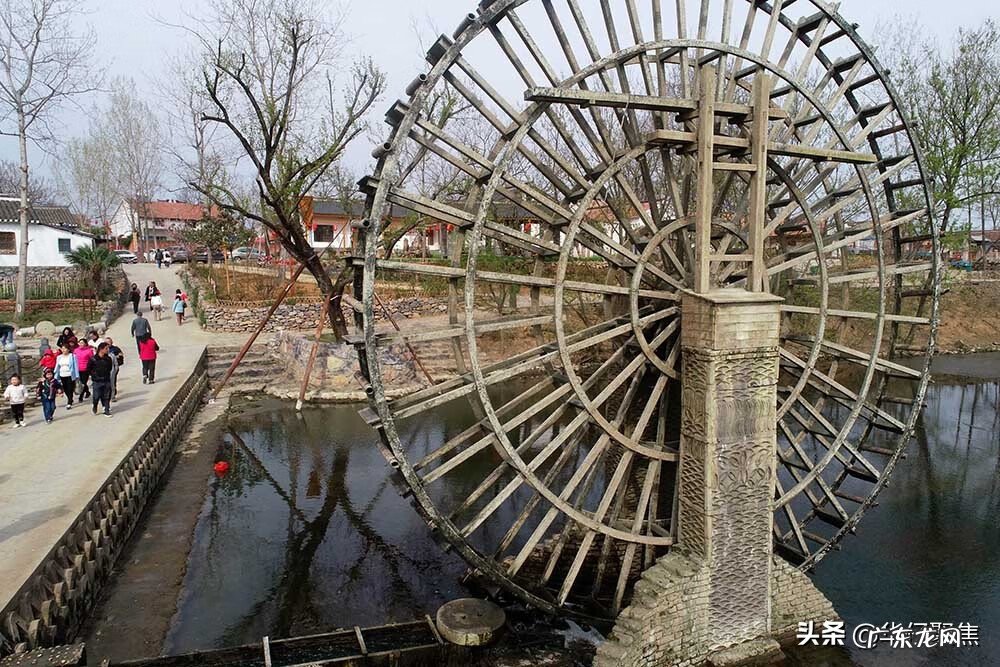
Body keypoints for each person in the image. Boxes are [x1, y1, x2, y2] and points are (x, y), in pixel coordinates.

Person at [90, 343, 114, 417]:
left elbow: (110, 368)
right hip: (97, 381)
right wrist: (95, 376)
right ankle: (95, 405)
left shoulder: (108, 359)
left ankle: (106, 410)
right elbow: (89, 369)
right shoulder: (93, 359)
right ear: (101, 349)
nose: (108, 350)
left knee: (107, 396)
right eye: (106, 348)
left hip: (106, 380)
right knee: (96, 396)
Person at [55, 344, 78, 409]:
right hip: (62, 374)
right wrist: (55, 375)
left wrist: (77, 375)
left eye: (65, 348)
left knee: (70, 388)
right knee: (65, 388)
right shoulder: (59, 357)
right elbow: (57, 366)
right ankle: (70, 398)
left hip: (70, 374)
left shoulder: (72, 356)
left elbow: (75, 366)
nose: (63, 350)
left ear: (68, 349)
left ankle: (69, 402)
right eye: (62, 349)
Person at [106, 337, 124, 402]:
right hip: (105, 370)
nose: (107, 343)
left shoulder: (115, 349)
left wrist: (115, 357)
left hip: (114, 368)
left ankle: (112, 395)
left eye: (109, 342)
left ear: (111, 342)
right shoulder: (103, 349)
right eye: (106, 342)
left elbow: (121, 355)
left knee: (112, 382)